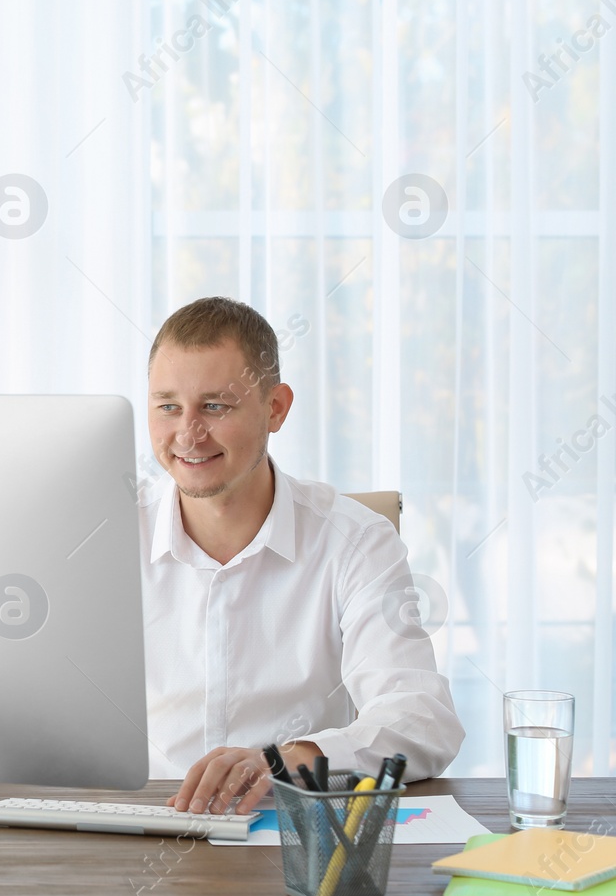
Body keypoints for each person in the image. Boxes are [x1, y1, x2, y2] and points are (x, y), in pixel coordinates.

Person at [145, 296, 463, 814]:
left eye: (215, 406)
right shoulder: (103, 532)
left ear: (275, 408)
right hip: (125, 827)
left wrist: (280, 760)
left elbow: (422, 718)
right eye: (168, 406)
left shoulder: (356, 541)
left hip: (295, 842)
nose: (188, 433)